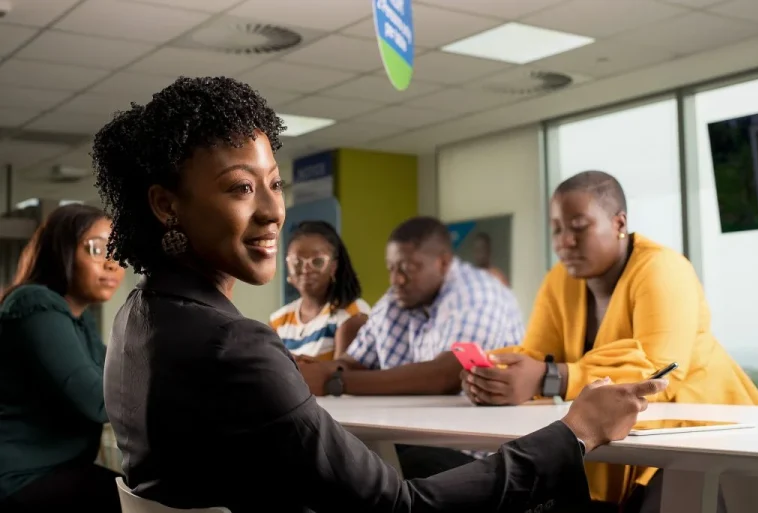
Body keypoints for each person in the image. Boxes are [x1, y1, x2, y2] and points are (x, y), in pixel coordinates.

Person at [93, 76, 668, 513]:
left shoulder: (139, 318)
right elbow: (399, 508)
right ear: (166, 204)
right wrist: (576, 433)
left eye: (274, 184)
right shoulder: (233, 346)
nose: (272, 212)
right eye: (241, 188)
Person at [461, 170, 758, 512]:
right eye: (557, 229)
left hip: (710, 441)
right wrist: (497, 376)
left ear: (619, 223)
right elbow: (537, 355)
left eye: (579, 226)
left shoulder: (664, 268)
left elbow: (658, 374)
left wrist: (550, 378)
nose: (565, 241)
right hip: (629, 439)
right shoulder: (559, 280)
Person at [298, 216, 525, 399]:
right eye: (391, 268)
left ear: (443, 263)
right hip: (421, 430)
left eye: (408, 268)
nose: (396, 279)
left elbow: (446, 375)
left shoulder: (477, 293)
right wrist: (316, 369)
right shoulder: (399, 298)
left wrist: (335, 382)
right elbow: (354, 363)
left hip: (484, 437)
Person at [0, 204, 125, 512]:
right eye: (97, 248)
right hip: (21, 477)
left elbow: (117, 377)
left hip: (59, 469)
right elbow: (98, 399)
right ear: (61, 251)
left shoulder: (78, 318)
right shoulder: (35, 303)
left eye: (117, 250)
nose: (113, 264)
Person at [270, 220, 370, 360]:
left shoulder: (352, 312)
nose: (306, 269)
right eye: (297, 262)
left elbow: (344, 372)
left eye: (317, 262)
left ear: (333, 267)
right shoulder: (278, 320)